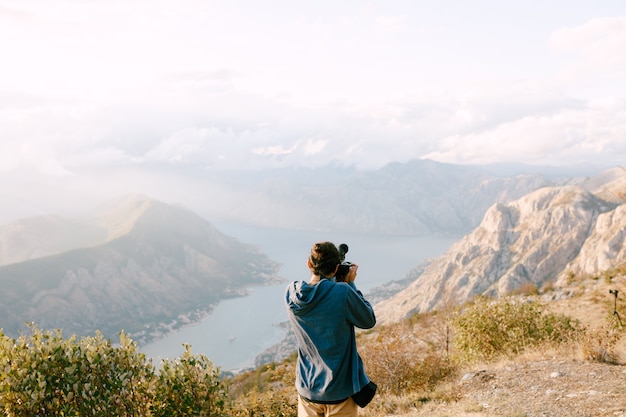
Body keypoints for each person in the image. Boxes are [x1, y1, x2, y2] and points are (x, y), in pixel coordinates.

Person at [284, 241, 376, 417]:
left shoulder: (291, 293)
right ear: (336, 268)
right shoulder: (342, 292)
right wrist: (350, 284)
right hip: (339, 391)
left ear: (309, 264)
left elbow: (318, 296)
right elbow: (368, 320)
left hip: (307, 389)